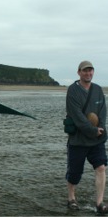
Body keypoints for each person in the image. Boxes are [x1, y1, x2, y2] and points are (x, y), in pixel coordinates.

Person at [65, 60, 108, 214]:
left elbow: (103, 111)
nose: (88, 73)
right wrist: (92, 130)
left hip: (97, 140)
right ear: (79, 72)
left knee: (101, 167)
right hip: (78, 140)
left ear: (93, 72)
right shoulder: (72, 91)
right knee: (74, 173)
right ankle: (71, 198)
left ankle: (100, 203)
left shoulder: (97, 89)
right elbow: (77, 117)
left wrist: (100, 129)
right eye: (85, 71)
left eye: (90, 70)